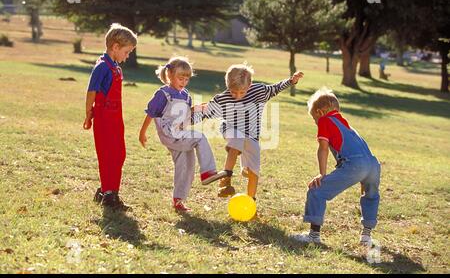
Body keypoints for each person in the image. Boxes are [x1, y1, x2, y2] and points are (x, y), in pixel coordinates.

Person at [202, 63, 303, 202]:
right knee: (237, 137)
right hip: (230, 129)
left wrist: (291, 81)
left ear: (250, 85)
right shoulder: (222, 98)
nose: (237, 96)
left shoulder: (259, 91)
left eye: (242, 92)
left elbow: (275, 88)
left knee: (254, 172)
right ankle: (226, 180)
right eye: (233, 92)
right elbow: (205, 112)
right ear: (227, 86)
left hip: (251, 136)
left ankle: (251, 203)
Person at [292, 88, 381, 245]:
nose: (316, 123)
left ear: (319, 112)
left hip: (356, 164)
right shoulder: (346, 124)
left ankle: (313, 236)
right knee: (371, 196)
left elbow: (323, 148)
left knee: (316, 190)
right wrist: (364, 175)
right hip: (373, 164)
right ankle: (366, 236)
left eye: (314, 119)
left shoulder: (325, 120)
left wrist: (322, 174)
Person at [139, 56, 226, 212]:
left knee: (186, 165)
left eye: (187, 79)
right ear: (170, 75)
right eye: (180, 78)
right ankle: (208, 172)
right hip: (170, 134)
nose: (184, 82)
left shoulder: (186, 95)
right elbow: (151, 113)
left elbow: (185, 118)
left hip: (181, 134)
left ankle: (178, 200)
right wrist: (142, 132)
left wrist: (199, 109)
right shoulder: (163, 94)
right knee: (199, 137)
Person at [83, 23, 137, 211]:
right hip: (104, 118)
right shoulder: (102, 66)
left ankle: (107, 190)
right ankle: (109, 195)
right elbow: (91, 92)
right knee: (108, 155)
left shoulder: (115, 67)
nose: (127, 56)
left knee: (119, 154)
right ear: (115, 47)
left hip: (116, 118)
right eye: (127, 51)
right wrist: (88, 114)